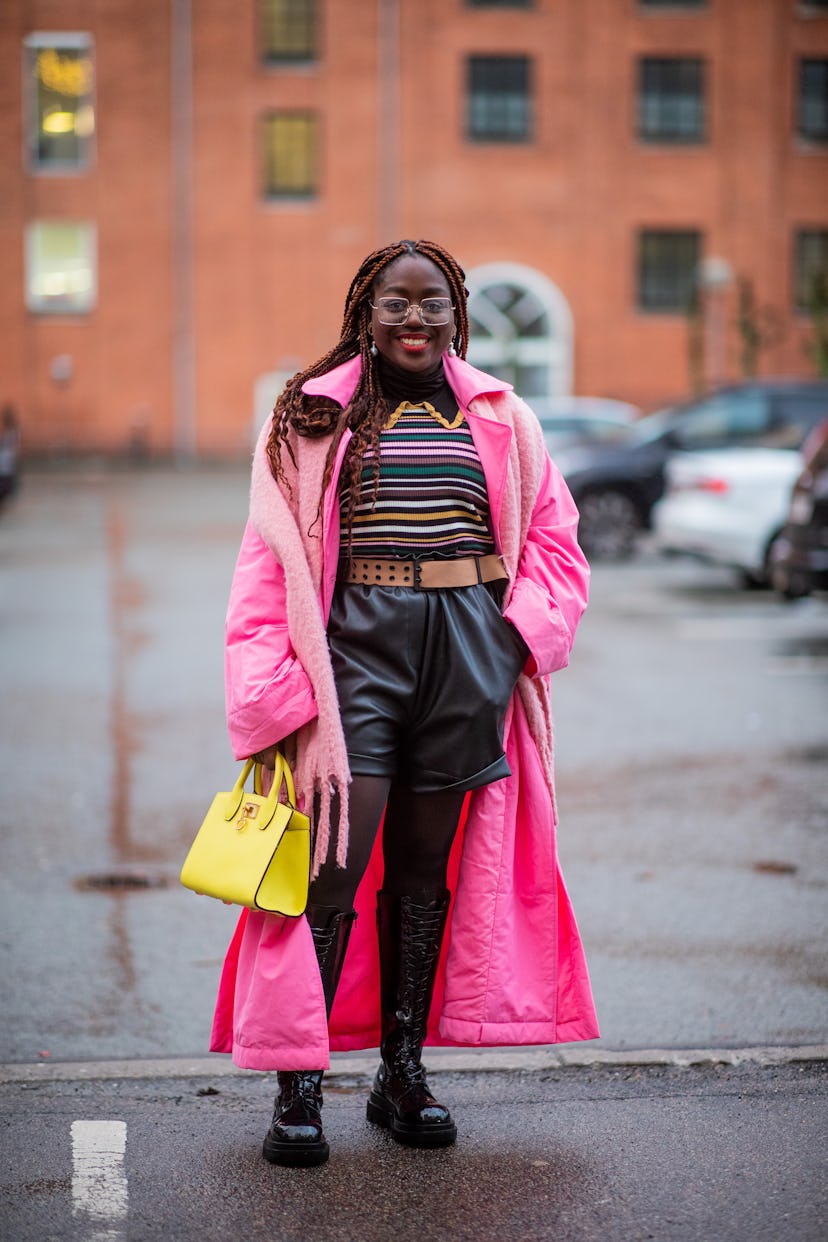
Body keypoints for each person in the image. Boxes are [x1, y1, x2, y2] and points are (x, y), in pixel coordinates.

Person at [210, 239, 599, 1166]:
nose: (416, 320)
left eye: (433, 304)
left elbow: (554, 542)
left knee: (427, 868)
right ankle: (300, 1088)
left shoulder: (504, 416)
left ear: (457, 313)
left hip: (469, 645)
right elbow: (269, 562)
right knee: (334, 867)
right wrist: (275, 688)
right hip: (357, 656)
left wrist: (512, 641)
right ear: (366, 311)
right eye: (398, 303)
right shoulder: (311, 418)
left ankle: (402, 1073)